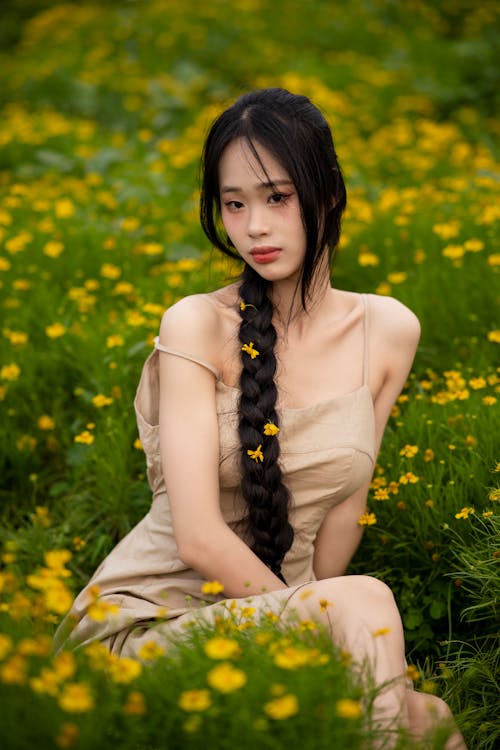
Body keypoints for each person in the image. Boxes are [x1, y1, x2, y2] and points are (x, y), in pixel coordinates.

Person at [55, 88, 466, 748]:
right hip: (152, 626)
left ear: (327, 194)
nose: (254, 228)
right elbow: (197, 538)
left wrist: (325, 622)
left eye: (276, 197)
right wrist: (321, 623)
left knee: (434, 718)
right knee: (365, 605)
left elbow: (337, 533)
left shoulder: (387, 330)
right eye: (234, 204)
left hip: (291, 611)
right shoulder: (196, 323)